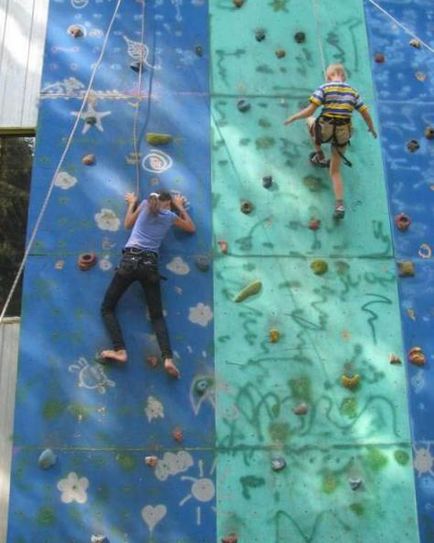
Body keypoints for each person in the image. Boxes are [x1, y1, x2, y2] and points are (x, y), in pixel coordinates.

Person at [99, 190, 195, 378]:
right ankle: (168, 358)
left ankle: (120, 350)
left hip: (129, 261)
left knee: (107, 308)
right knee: (157, 317)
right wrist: (180, 206)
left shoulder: (143, 205)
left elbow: (127, 224)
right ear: (167, 203)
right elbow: (191, 228)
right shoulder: (170, 216)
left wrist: (131, 203)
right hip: (150, 266)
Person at [283, 63, 377, 219]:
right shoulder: (353, 92)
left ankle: (319, 155)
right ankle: (339, 205)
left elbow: (310, 111)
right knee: (335, 171)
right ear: (343, 76)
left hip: (325, 130)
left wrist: (294, 117)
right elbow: (365, 113)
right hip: (342, 133)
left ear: (328, 76)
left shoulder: (324, 88)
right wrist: (372, 128)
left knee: (311, 122)